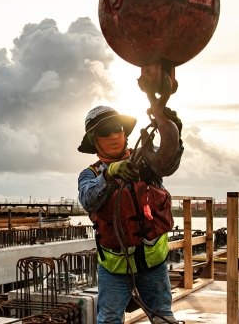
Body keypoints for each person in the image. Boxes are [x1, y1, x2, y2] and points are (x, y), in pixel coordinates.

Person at [77, 99, 184, 324]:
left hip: (152, 263)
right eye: (106, 131)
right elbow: (88, 199)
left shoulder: (146, 160)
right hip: (115, 268)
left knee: (163, 316)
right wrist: (109, 174)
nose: (115, 134)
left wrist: (173, 132)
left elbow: (167, 163)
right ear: (94, 141)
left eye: (118, 128)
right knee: (109, 319)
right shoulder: (89, 175)